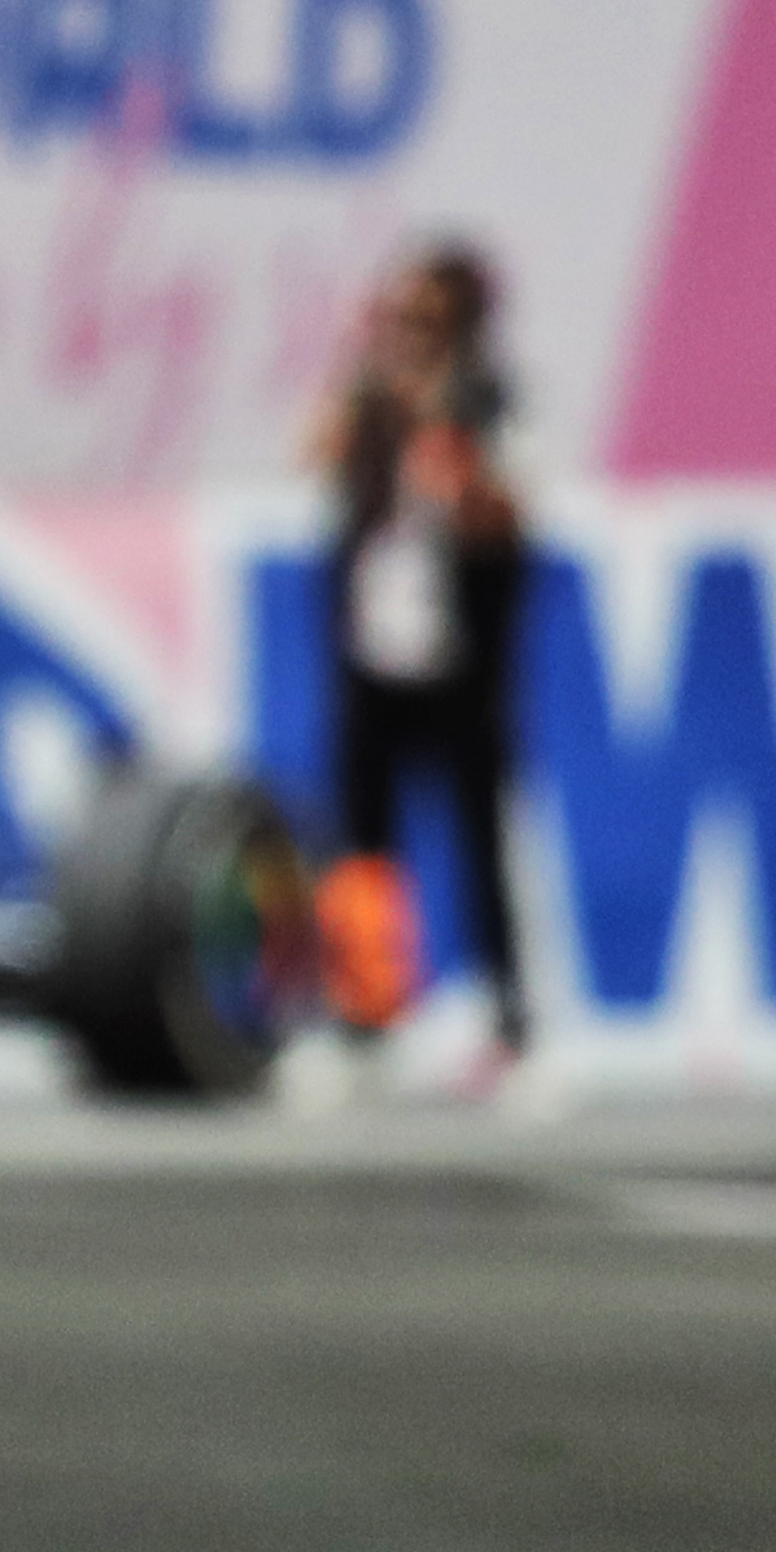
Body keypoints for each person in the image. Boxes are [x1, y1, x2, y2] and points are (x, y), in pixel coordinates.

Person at [313, 240, 534, 1062]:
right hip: (375, 656)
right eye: (400, 316)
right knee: (365, 846)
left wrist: (457, 455)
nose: (408, 333)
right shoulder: (372, 401)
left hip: (461, 664)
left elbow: (507, 515)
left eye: (426, 318)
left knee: (481, 838)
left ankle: (506, 1017)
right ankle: (365, 1016)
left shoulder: (491, 402)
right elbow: (320, 457)